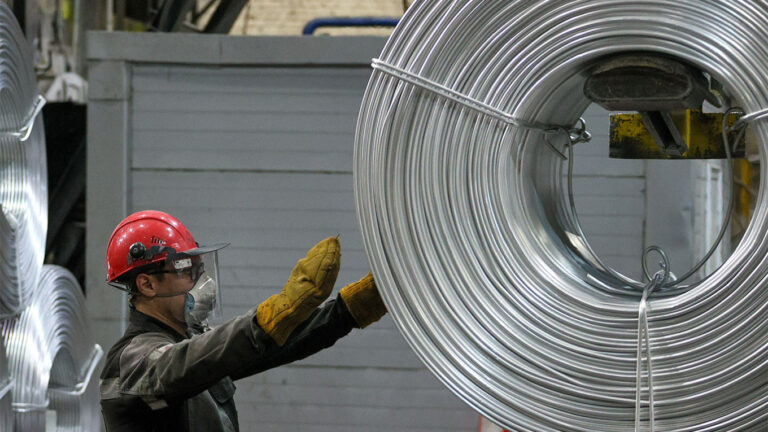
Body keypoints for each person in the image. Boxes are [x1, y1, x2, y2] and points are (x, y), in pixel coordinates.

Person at [99, 210, 386, 431]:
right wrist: (263, 322)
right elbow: (183, 363)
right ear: (147, 285)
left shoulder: (190, 345)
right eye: (186, 271)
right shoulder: (133, 359)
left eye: (198, 269)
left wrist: (350, 311)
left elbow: (278, 344)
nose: (200, 283)